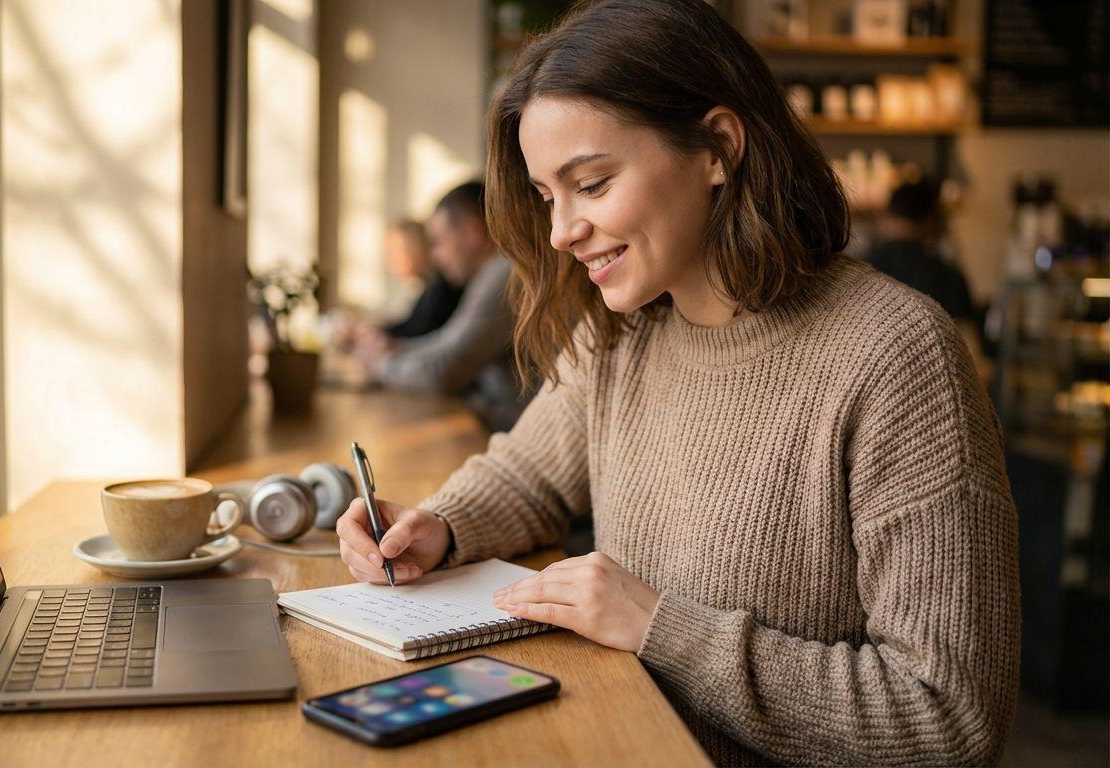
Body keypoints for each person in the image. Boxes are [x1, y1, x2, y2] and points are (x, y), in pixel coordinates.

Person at [335, 1, 1019, 765]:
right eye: (545, 197)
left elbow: (948, 716)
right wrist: (439, 527)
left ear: (718, 147)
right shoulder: (625, 328)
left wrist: (663, 626)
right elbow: (528, 474)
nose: (561, 232)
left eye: (590, 183)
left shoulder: (895, 355)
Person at [354, 181, 529, 432]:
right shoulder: (490, 274)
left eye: (439, 242)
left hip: (518, 440)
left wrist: (381, 363)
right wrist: (395, 348)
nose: (434, 257)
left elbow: (443, 371)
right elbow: (445, 343)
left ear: (473, 232)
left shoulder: (506, 275)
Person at [865, 177, 976, 321]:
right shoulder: (949, 277)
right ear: (931, 220)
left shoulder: (861, 266)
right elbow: (967, 337)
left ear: (886, 216)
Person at [379, 219, 465, 340]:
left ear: (417, 248)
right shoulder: (427, 284)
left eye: (394, 252)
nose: (391, 261)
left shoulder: (444, 286)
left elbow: (419, 333)